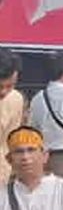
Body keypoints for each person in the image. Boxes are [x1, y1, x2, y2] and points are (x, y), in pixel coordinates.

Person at [0, 50, 24, 182]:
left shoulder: (16, 99)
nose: (4, 91)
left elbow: (10, 140)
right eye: (0, 86)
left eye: (10, 86)